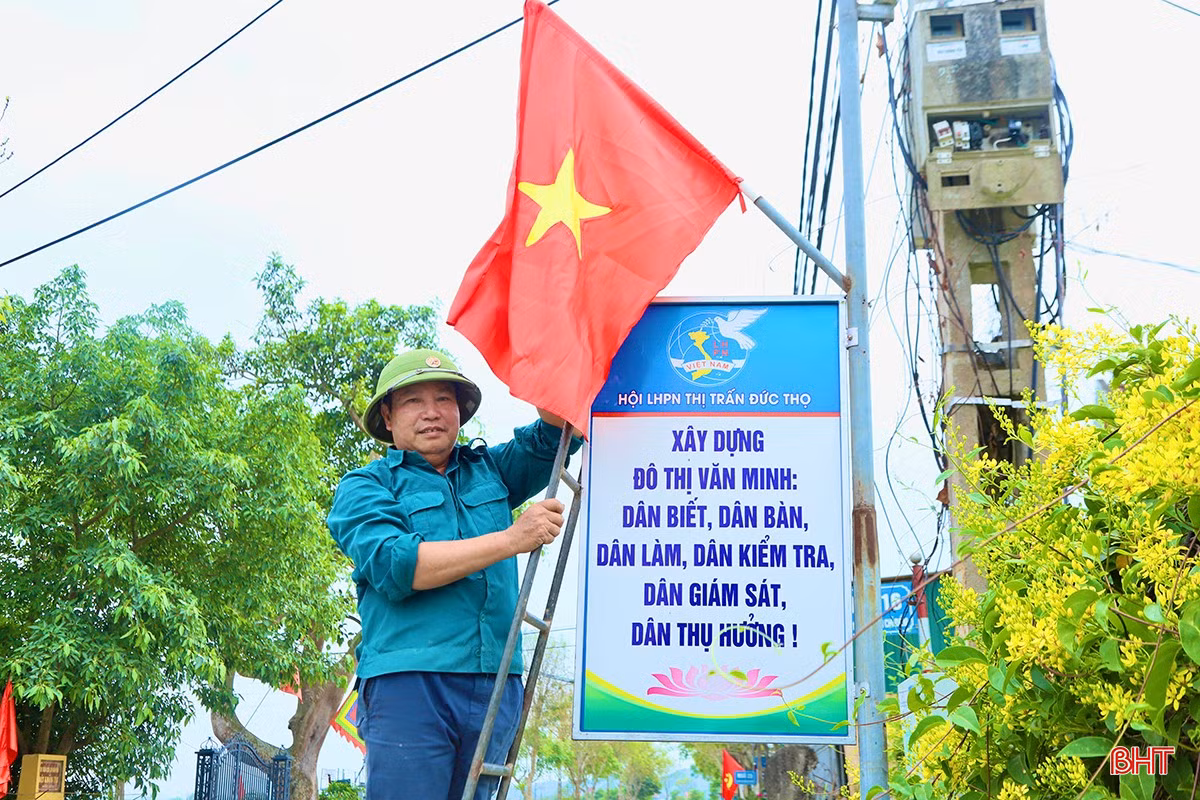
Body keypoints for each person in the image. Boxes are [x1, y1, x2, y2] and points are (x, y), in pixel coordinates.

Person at [327, 348, 580, 800]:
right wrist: (511, 539)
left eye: (444, 399)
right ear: (387, 416)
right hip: (409, 682)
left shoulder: (493, 470)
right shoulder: (365, 487)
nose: (431, 413)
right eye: (412, 402)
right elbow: (397, 565)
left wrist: (548, 349)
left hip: (496, 681)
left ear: (461, 411)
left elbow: (561, 428)